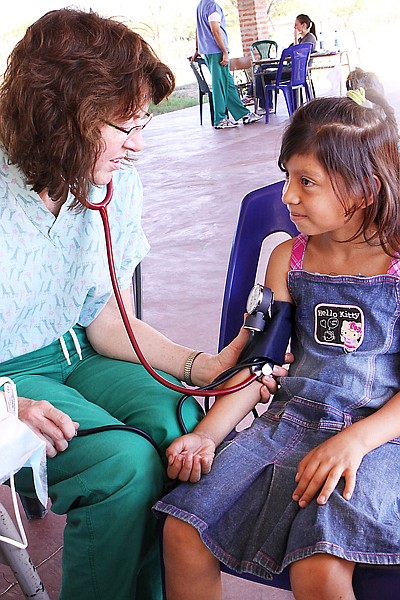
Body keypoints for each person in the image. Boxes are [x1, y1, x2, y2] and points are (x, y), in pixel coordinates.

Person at [0, 8, 288, 600]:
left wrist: (201, 367)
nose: (137, 146)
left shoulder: (111, 180)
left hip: (76, 351)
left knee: (182, 429)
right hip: (9, 379)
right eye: (123, 126)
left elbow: (104, 316)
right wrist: (7, 410)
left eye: (143, 123)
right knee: (122, 465)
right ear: (59, 114)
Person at [155, 91, 400, 600]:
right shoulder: (288, 260)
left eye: (306, 182)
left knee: (318, 567)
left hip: (378, 435)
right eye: (288, 176)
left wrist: (354, 441)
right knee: (182, 532)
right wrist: (207, 434)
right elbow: (260, 364)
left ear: (365, 190)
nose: (288, 195)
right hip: (289, 422)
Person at [192, 0, 262, 129]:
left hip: (208, 51)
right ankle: (220, 119)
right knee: (219, 85)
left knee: (228, 84)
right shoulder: (212, 6)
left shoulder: (201, 6)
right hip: (216, 51)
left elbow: (198, 30)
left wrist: (197, 48)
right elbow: (215, 30)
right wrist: (224, 51)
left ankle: (243, 114)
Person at [243, 14, 317, 111]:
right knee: (263, 67)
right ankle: (258, 100)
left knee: (264, 75)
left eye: (296, 24)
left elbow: (297, 53)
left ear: (303, 25)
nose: (294, 27)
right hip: (290, 68)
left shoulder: (310, 38)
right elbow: (288, 52)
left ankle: (254, 98)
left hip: (297, 71)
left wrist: (295, 39)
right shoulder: (300, 39)